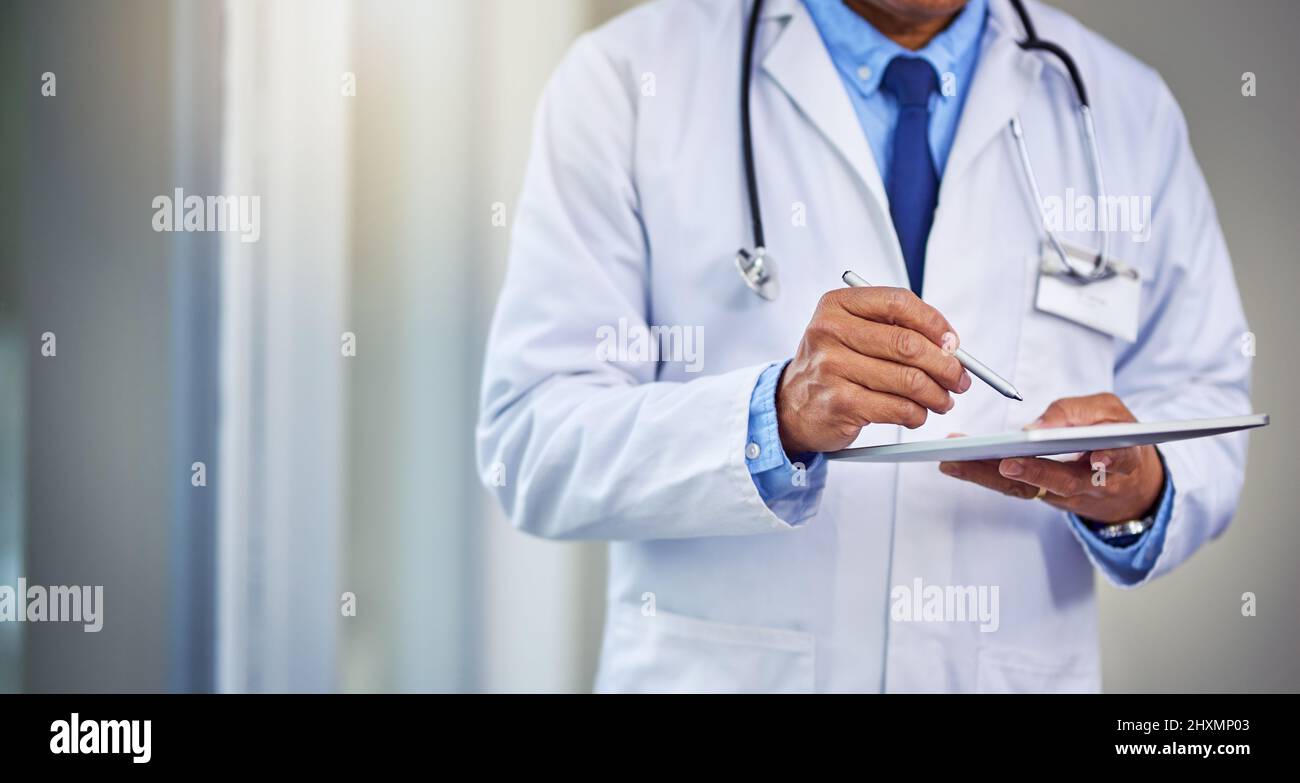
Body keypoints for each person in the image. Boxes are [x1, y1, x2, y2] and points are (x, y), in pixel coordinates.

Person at [476, 0, 1252, 692]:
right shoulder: (625, 81)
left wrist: (1139, 486)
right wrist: (770, 418)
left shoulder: (1123, 106)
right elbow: (531, 440)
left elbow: (1206, 402)